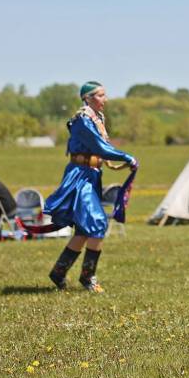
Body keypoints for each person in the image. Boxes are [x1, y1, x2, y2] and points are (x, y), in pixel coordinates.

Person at [44, 82, 137, 293]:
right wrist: (127, 157)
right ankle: (88, 277)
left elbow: (102, 149)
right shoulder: (83, 121)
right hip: (80, 176)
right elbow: (99, 147)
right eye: (101, 95)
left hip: (93, 175)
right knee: (96, 223)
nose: (105, 99)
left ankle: (58, 272)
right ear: (88, 98)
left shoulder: (97, 119)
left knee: (85, 229)